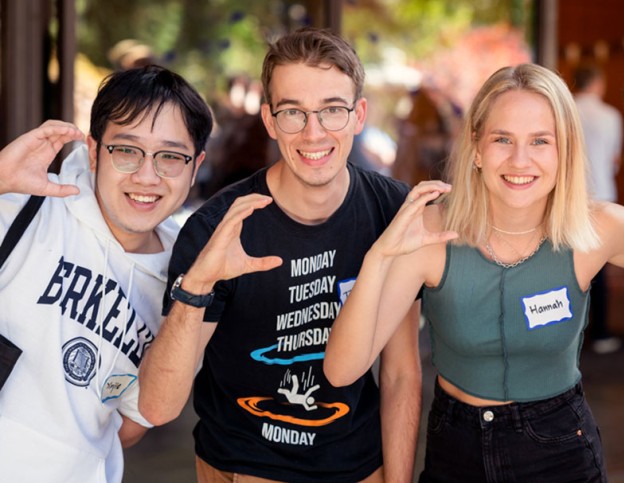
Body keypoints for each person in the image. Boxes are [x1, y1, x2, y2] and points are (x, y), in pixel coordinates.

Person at [323, 63, 624, 482]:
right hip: (455, 450)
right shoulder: (431, 231)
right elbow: (340, 370)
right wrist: (379, 258)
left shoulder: (596, 228)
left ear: (564, 150)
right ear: (477, 147)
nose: (521, 160)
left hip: (560, 449)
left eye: (540, 141)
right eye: (503, 139)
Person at [138, 28, 421, 483]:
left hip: (360, 465)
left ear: (359, 114)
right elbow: (157, 406)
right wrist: (197, 287)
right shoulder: (218, 229)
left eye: (332, 110)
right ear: (269, 120)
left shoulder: (392, 210)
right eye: (293, 112)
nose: (314, 133)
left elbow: (400, 374)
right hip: (244, 466)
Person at [0, 65, 212, 482]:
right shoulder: (25, 209)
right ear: (95, 151)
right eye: (127, 150)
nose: (147, 176)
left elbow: (133, 422)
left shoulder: (183, 283)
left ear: (195, 166)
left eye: (170, 156)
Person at [571, 62, 624, 354]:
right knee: (599, 266)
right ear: (598, 84)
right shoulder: (611, 116)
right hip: (602, 193)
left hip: (570, 194)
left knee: (566, 261)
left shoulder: (567, 111)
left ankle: (569, 334)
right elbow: (614, 160)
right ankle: (600, 333)